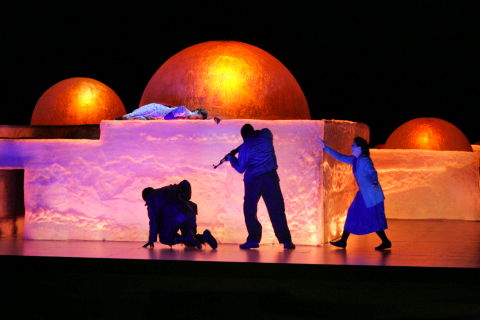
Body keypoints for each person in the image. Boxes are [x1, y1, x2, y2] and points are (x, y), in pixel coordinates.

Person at [225, 123, 295, 250]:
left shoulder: (245, 147)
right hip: (270, 177)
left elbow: (240, 168)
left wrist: (232, 158)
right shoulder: (266, 135)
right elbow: (260, 133)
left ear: (243, 137)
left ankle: (253, 239)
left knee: (250, 210)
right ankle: (286, 241)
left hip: (253, 181)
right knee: (277, 210)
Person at [318, 137, 392, 250]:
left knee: (372, 218)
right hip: (363, 194)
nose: (351, 147)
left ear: (359, 148)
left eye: (353, 146)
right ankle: (344, 241)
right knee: (354, 215)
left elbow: (372, 172)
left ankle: (385, 241)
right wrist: (326, 148)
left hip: (371, 195)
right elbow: (340, 157)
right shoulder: (356, 160)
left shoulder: (364, 160)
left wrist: (374, 182)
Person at [141, 180, 217, 249]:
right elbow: (185, 183)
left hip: (178, 216)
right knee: (189, 239)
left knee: (165, 238)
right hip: (190, 211)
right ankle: (204, 237)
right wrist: (185, 199)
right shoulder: (168, 189)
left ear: (147, 197)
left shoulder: (152, 199)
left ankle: (189, 238)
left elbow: (153, 222)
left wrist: (151, 240)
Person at [117, 102, 208, 120]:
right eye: (196, 116)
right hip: (155, 109)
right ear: (196, 111)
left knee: (135, 118)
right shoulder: (184, 110)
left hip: (153, 116)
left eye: (197, 119)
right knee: (130, 116)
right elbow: (167, 117)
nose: (194, 119)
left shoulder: (185, 116)